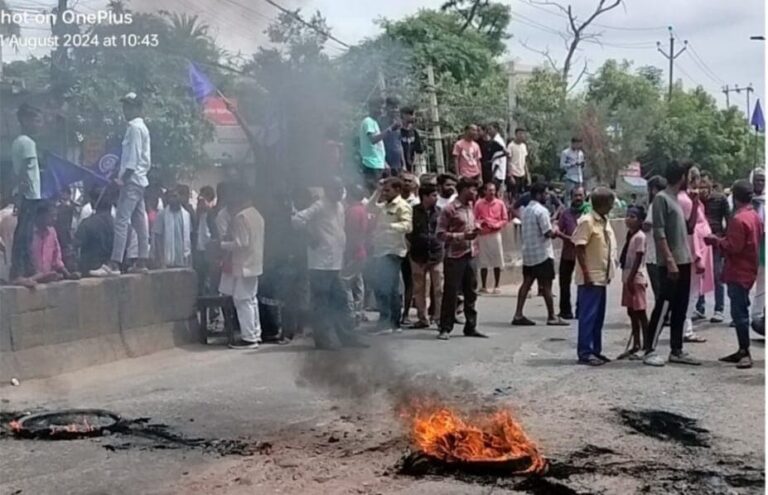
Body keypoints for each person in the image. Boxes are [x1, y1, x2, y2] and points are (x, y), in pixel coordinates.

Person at [293, 178, 366, 349]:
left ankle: (347, 337)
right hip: (320, 264)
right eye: (336, 189)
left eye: (341, 189)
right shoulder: (319, 205)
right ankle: (323, 340)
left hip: (336, 262)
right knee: (321, 303)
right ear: (327, 190)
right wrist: (310, 236)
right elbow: (297, 220)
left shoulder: (339, 206)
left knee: (340, 301)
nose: (340, 192)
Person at [643, 160, 700, 367]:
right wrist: (669, 260)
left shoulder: (677, 199)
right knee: (664, 305)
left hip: (684, 260)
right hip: (671, 262)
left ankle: (677, 349)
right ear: (682, 177)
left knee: (680, 306)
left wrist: (695, 204)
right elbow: (659, 233)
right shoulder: (661, 199)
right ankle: (649, 349)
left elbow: (689, 228)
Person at [705, 180, 762, 369]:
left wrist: (716, 241)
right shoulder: (754, 216)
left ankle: (745, 351)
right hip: (749, 268)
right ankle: (741, 349)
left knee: (740, 313)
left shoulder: (739, 219)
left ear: (735, 198)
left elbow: (734, 247)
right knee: (741, 309)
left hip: (738, 270)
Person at [92, 93, 151, 276]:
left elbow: (132, 158)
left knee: (121, 221)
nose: (126, 110)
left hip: (132, 180)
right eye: (125, 106)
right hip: (140, 180)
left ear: (138, 109)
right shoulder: (143, 128)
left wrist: (122, 179)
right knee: (140, 222)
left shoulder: (134, 128)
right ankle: (142, 260)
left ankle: (114, 263)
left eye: (129, 106)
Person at [436, 177, 487, 340]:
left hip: (471, 254)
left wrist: (477, 228)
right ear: (464, 189)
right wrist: (462, 236)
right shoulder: (449, 209)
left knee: (471, 293)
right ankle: (445, 328)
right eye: (472, 189)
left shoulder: (471, 207)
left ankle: (471, 326)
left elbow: (472, 225)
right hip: (454, 256)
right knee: (451, 293)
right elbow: (440, 234)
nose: (475, 193)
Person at [512, 182, 568, 327]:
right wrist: (556, 230)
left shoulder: (526, 211)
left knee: (526, 283)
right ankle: (551, 316)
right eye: (545, 194)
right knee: (547, 286)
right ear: (539, 194)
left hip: (529, 254)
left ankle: (518, 314)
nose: (547, 196)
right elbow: (547, 233)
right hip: (542, 254)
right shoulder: (541, 211)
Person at [217, 184, 265, 350]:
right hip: (254, 264)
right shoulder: (258, 215)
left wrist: (221, 245)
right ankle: (255, 333)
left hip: (243, 264)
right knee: (251, 300)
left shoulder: (241, 217)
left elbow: (241, 243)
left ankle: (249, 337)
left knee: (242, 300)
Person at [573, 187, 617, 365]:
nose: (612, 206)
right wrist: (586, 273)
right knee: (588, 315)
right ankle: (585, 351)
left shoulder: (604, 221)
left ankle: (595, 350)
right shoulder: (587, 221)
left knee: (598, 317)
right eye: (611, 203)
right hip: (590, 276)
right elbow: (579, 247)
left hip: (602, 276)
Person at [367, 177, 413, 334]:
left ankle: (388, 321)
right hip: (381, 249)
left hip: (393, 251)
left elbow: (407, 226)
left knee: (386, 287)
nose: (385, 193)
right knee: (389, 288)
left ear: (397, 190)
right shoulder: (385, 205)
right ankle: (392, 322)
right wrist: (377, 191)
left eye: (388, 190)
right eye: (384, 190)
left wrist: (389, 226)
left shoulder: (402, 206)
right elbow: (369, 207)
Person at [9, 103, 44, 282]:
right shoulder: (27, 142)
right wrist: (21, 196)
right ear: (25, 120)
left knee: (27, 233)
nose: (39, 124)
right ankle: (18, 272)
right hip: (28, 195)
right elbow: (23, 172)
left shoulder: (20, 142)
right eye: (36, 120)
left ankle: (29, 269)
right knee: (23, 234)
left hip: (28, 195)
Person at [678, 166, 711, 344]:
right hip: (693, 251)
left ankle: (686, 327)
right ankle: (686, 329)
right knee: (690, 291)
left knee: (693, 291)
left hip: (698, 248)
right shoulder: (686, 201)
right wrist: (697, 256)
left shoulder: (691, 199)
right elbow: (689, 230)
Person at [409, 184, 444, 329]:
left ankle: (439, 317)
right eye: (433, 195)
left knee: (439, 288)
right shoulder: (413, 212)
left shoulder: (440, 212)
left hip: (436, 254)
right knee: (419, 288)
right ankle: (422, 318)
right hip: (418, 255)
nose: (436, 198)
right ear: (424, 197)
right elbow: (408, 231)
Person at [696, 173, 729, 323]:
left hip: (715, 241)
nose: (702, 189)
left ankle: (719, 309)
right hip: (699, 241)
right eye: (700, 186)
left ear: (710, 185)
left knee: (717, 275)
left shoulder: (720, 199)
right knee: (699, 274)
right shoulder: (695, 200)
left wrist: (724, 240)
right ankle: (699, 307)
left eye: (705, 185)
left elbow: (728, 219)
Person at [617, 206, 648, 361]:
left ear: (640, 220)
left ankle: (647, 345)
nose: (629, 219)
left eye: (633, 217)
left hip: (635, 277)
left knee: (640, 312)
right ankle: (636, 343)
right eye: (628, 216)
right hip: (627, 275)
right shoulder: (630, 235)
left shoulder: (640, 236)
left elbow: (638, 258)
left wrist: (630, 279)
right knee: (631, 312)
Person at [29, 201, 80, 284]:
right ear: (41, 215)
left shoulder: (52, 232)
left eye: (56, 215)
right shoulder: (28, 233)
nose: (55, 219)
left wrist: (68, 275)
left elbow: (56, 259)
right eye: (52, 215)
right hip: (31, 280)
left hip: (47, 280)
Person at [557, 186, 586, 320]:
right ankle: (565, 311)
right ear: (571, 197)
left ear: (584, 197)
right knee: (564, 283)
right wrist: (567, 238)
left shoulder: (589, 214)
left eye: (580, 195)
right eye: (576, 195)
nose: (578, 198)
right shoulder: (566, 214)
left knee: (583, 283)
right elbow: (558, 230)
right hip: (568, 253)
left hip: (584, 254)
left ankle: (582, 310)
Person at [343, 184, 369, 327]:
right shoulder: (362, 209)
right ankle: (358, 311)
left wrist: (348, 252)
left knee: (345, 281)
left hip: (353, 251)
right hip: (361, 251)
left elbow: (351, 233)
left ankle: (351, 313)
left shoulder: (353, 211)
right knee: (358, 282)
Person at [474, 182, 508, 294]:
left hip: (495, 233)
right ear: (484, 191)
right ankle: (483, 286)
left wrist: (496, 225)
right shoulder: (479, 204)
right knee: (483, 261)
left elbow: (504, 219)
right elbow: (474, 218)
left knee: (497, 259)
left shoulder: (500, 203)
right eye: (490, 190)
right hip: (483, 234)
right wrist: (480, 223)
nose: (492, 192)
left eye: (493, 190)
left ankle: (497, 285)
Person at [359, 98, 398, 191]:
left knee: (380, 190)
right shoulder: (368, 121)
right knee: (374, 191)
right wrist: (390, 129)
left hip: (378, 163)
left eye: (382, 108)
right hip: (371, 164)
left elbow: (377, 147)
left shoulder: (374, 122)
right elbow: (373, 139)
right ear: (371, 108)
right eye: (378, 108)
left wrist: (384, 162)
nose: (380, 111)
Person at [74, 188, 114, 276]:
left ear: (93, 203)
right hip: (111, 266)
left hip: (90, 268)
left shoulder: (87, 223)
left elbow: (75, 244)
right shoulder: (117, 225)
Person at [153, 187, 192, 268]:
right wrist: (161, 260)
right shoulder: (162, 214)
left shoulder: (186, 215)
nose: (172, 199)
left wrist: (189, 259)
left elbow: (189, 238)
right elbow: (157, 238)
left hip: (183, 260)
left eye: (175, 196)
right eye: (170, 197)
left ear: (180, 197)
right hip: (166, 261)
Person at [643, 176, 668, 302]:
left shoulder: (655, 204)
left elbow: (648, 225)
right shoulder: (670, 202)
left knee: (658, 289)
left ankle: (662, 316)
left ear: (653, 190)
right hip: (666, 252)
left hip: (654, 253)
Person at [194, 186, 216, 296]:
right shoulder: (198, 213)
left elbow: (214, 233)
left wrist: (208, 209)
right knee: (200, 280)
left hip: (209, 252)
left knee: (209, 281)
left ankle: (212, 308)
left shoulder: (212, 213)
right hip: (199, 251)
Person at [750, 169, 765, 335]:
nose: (760, 183)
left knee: (762, 282)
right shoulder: (744, 197)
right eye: (757, 180)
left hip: (764, 245)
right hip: (748, 244)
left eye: (762, 180)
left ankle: (757, 313)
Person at [382, 97, 405, 175]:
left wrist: (403, 162)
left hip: (398, 163)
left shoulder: (398, 123)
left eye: (396, 108)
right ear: (387, 108)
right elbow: (378, 144)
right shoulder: (381, 122)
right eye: (392, 107)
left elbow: (399, 143)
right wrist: (383, 162)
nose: (395, 110)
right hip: (386, 163)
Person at [560, 137, 585, 205]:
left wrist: (582, 164)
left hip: (579, 177)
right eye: (577, 144)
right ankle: (568, 210)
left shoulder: (580, 153)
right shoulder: (565, 152)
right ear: (573, 143)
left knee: (579, 195)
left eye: (579, 144)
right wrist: (572, 164)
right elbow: (562, 165)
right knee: (569, 195)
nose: (578, 146)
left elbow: (581, 164)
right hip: (570, 177)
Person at [506, 128, 529, 199]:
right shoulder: (511, 146)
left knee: (521, 194)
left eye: (523, 134)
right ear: (516, 134)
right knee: (513, 194)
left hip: (522, 173)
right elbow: (508, 161)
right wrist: (510, 175)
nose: (522, 136)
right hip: (514, 173)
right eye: (520, 134)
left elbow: (524, 161)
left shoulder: (523, 146)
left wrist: (527, 174)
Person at [400, 106, 423, 173]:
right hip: (400, 167)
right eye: (411, 114)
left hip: (411, 168)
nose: (413, 117)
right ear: (404, 115)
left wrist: (414, 163)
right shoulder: (398, 131)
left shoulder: (414, 132)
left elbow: (418, 150)